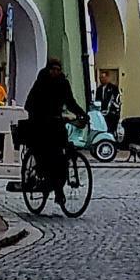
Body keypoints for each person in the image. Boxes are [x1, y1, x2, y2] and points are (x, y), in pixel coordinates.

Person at [24, 57, 87, 206]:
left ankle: (59, 188)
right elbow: (30, 104)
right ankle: (51, 184)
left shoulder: (63, 83)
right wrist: (42, 116)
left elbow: (70, 101)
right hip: (40, 125)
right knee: (47, 155)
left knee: (62, 155)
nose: (56, 72)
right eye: (53, 69)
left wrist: (82, 113)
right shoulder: (41, 82)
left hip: (56, 124)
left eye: (58, 70)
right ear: (48, 69)